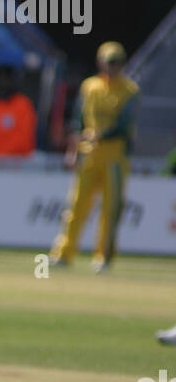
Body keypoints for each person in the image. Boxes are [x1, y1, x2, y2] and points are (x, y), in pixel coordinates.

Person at [49, 41, 139, 273]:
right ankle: (64, 253)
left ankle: (104, 257)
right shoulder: (90, 87)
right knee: (76, 206)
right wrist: (73, 149)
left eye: (117, 62)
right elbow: (78, 120)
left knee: (110, 210)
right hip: (88, 155)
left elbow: (125, 125)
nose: (113, 67)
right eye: (109, 62)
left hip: (114, 157)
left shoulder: (129, 90)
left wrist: (102, 134)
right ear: (101, 62)